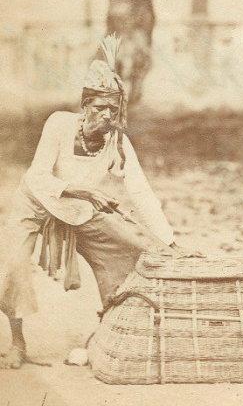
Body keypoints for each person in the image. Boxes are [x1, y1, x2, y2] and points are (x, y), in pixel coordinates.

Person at [0, 35, 193, 369]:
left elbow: (141, 191)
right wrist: (85, 191)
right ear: (84, 106)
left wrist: (170, 240)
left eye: (113, 110)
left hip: (79, 212)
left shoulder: (117, 143)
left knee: (132, 249)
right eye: (99, 108)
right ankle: (17, 343)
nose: (106, 116)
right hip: (37, 203)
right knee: (13, 265)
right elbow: (37, 177)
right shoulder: (58, 124)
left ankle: (112, 330)